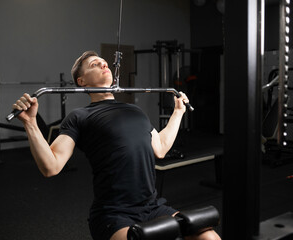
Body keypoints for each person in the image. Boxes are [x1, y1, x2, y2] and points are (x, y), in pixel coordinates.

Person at [13, 51, 221, 240]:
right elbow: (52, 166)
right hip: (114, 214)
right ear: (81, 81)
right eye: (95, 64)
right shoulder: (80, 117)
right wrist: (30, 123)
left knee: (208, 237)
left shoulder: (134, 111)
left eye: (105, 63)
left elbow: (160, 148)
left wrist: (178, 113)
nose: (104, 65)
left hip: (153, 206)